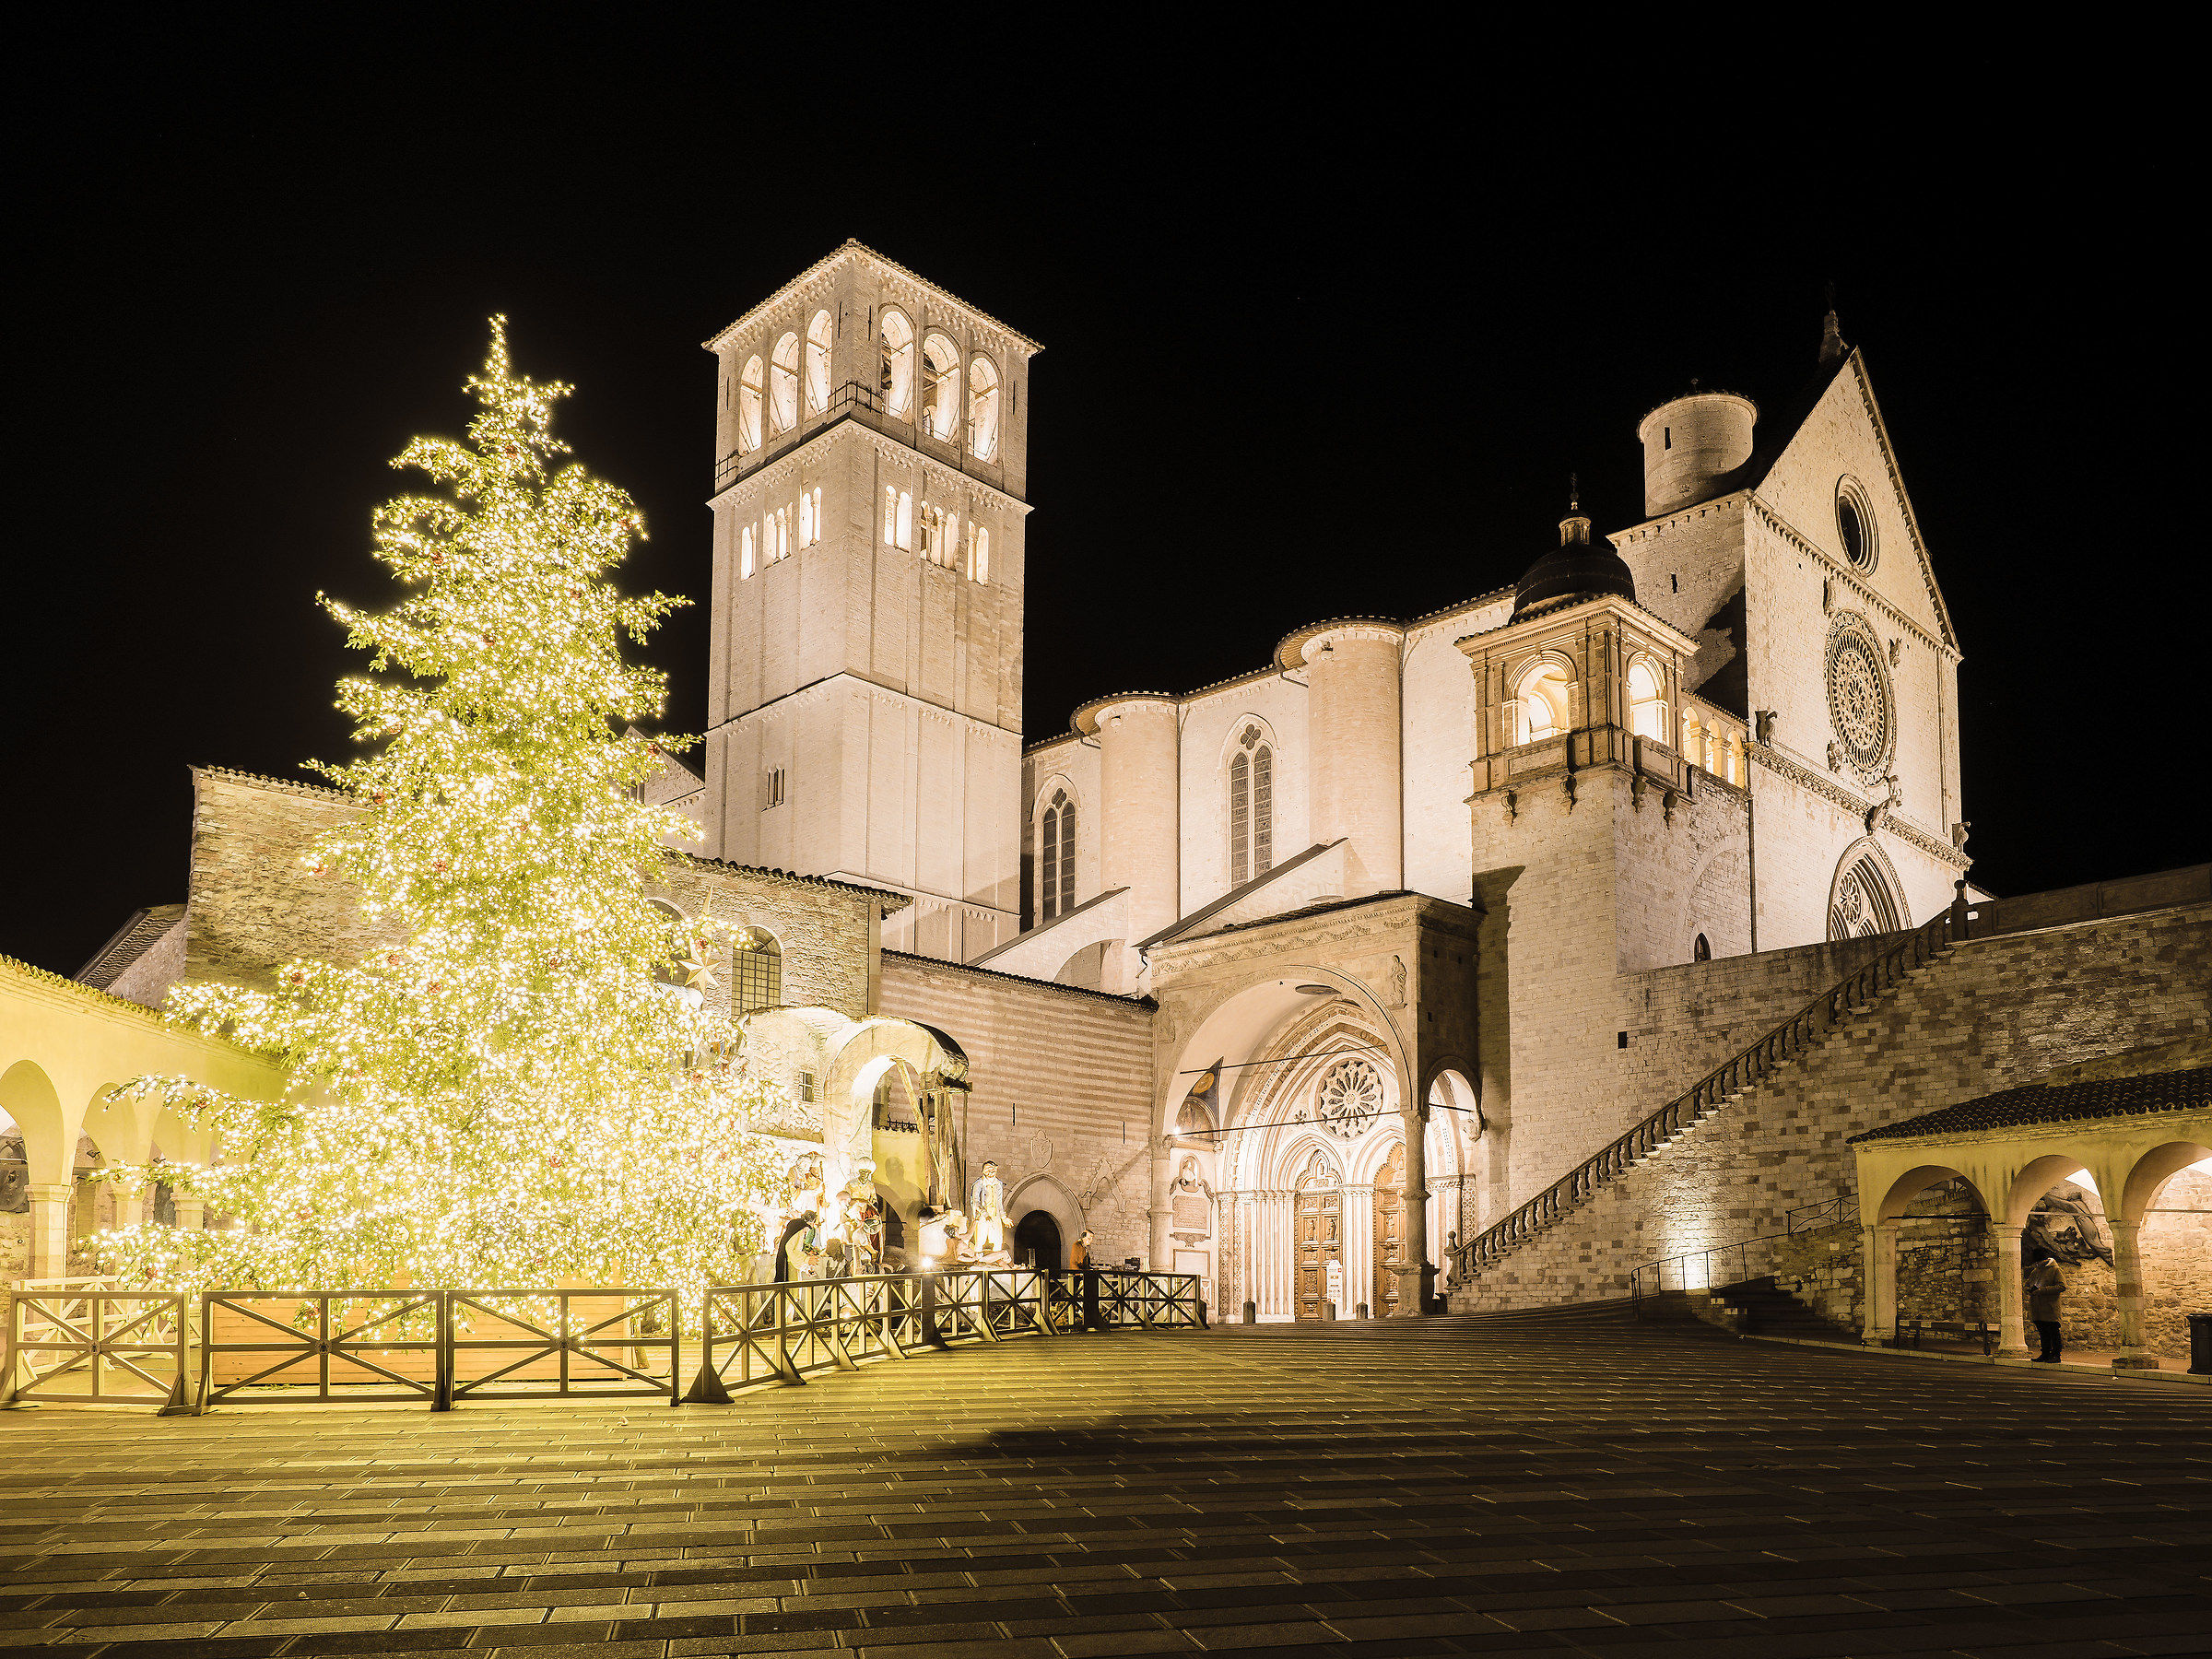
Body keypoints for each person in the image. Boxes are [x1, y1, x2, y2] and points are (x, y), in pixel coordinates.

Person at [2025, 1253, 2066, 1362]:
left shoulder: (2056, 1270)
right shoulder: (2036, 1271)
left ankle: (2056, 1355)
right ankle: (2045, 1354)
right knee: (2043, 1332)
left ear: (2045, 1260)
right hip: (2037, 1306)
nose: (2037, 1264)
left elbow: (2062, 1286)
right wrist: (2028, 1289)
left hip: (2050, 1307)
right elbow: (2028, 1284)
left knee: (2053, 1331)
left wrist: (2042, 1290)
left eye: (2038, 1262)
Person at [1073, 1229, 1100, 1331]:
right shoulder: (1077, 1246)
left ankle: (1087, 1319)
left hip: (1084, 1276)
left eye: (1092, 1238)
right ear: (1083, 1237)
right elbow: (1074, 1263)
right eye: (1089, 1238)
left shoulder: (1084, 1247)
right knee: (1077, 1297)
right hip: (1078, 1277)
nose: (1091, 1241)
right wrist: (1080, 1272)